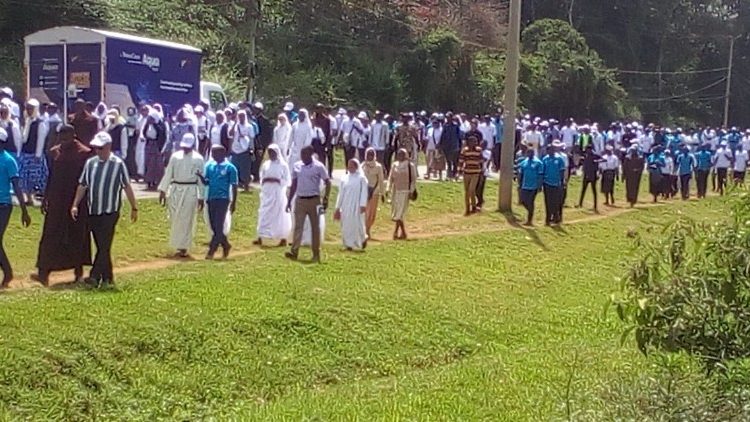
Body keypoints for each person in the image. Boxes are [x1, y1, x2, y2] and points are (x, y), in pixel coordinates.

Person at [71, 132, 138, 287]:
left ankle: (94, 276)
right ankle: (108, 278)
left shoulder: (118, 164)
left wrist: (134, 207)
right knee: (102, 246)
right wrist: (75, 204)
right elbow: (83, 184)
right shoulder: (91, 163)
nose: (98, 151)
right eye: (96, 148)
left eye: (100, 148)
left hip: (110, 211)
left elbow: (127, 186)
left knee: (104, 244)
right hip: (94, 210)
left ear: (108, 147)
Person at [32, 125, 92, 286]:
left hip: (76, 201)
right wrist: (46, 198)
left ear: (73, 135)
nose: (63, 139)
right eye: (61, 136)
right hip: (57, 200)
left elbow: (86, 180)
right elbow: (51, 176)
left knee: (77, 234)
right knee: (50, 234)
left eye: (66, 136)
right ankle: (43, 272)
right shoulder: (55, 152)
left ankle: (78, 272)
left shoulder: (84, 153)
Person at [158, 133, 205, 258]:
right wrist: (163, 190)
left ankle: (183, 246)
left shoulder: (199, 159)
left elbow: (201, 179)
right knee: (175, 217)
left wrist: (201, 197)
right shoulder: (175, 157)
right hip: (176, 189)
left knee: (187, 218)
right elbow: (168, 173)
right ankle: (177, 243)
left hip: (190, 190)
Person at [285, 145, 331, 263]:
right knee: (298, 226)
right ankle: (294, 251)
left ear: (310, 154)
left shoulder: (318, 167)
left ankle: (316, 253)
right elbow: (294, 184)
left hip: (315, 200)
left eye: (305, 154)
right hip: (300, 199)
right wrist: (289, 201)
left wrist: (326, 198)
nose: (303, 157)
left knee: (315, 227)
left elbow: (328, 182)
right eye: (302, 155)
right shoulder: (297, 166)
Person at [0, 128, 31, 288]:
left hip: (3, 205)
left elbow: (17, 187)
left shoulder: (8, 161)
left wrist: (24, 211)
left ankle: (8, 272)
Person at [198, 145, 239, 260]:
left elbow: (234, 186)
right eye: (212, 153)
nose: (213, 155)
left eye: (215, 153)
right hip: (211, 198)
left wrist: (234, 202)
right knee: (213, 225)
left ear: (222, 154)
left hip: (223, 199)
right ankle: (226, 245)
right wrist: (201, 177)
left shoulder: (230, 168)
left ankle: (212, 250)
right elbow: (207, 182)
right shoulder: (210, 166)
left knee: (218, 224)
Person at [254, 144, 292, 247]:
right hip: (267, 192)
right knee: (264, 213)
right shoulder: (266, 164)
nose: (271, 154)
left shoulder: (283, 165)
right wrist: (266, 180)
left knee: (279, 215)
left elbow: (288, 181)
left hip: (278, 193)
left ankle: (282, 238)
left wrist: (277, 180)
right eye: (269, 152)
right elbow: (262, 176)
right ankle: (261, 236)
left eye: (273, 152)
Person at [334, 159, 369, 251]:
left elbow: (364, 192)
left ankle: (362, 239)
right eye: (348, 166)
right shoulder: (344, 178)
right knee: (346, 224)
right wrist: (338, 207)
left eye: (351, 166)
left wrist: (363, 204)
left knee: (357, 223)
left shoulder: (361, 179)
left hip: (356, 205)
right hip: (346, 205)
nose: (350, 168)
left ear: (356, 167)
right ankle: (348, 244)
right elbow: (341, 193)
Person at [19, 99, 49, 204]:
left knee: (39, 177)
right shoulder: (26, 121)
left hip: (35, 155)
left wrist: (38, 155)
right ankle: (29, 198)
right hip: (25, 153)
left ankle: (45, 198)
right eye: (27, 108)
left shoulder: (40, 123)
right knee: (25, 177)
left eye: (31, 108)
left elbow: (41, 139)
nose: (28, 110)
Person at [388, 148, 417, 240]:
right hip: (396, 191)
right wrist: (388, 188)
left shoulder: (410, 166)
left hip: (405, 192)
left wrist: (411, 191)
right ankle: (402, 233)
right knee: (396, 212)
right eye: (399, 154)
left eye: (402, 154)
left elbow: (413, 180)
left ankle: (397, 232)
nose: (400, 156)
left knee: (400, 213)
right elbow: (390, 178)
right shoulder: (394, 165)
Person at [362, 148, 385, 239]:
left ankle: (368, 228)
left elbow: (381, 180)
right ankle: (364, 231)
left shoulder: (378, 167)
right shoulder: (362, 166)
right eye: (368, 154)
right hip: (364, 192)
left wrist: (382, 193)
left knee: (372, 213)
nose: (370, 156)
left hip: (375, 192)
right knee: (365, 212)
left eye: (371, 154)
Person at [229, 110, 255, 191]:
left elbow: (252, 138)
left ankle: (246, 186)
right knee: (234, 168)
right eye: (239, 116)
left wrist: (252, 149)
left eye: (242, 116)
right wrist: (234, 124)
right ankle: (234, 187)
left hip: (245, 150)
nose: (241, 118)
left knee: (245, 169)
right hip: (235, 150)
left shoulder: (249, 126)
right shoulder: (235, 126)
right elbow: (230, 134)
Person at [457, 134, 484, 215]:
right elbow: (461, 161)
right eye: (472, 142)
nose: (474, 143)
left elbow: (481, 161)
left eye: (475, 142)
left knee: (471, 190)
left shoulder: (479, 150)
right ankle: (467, 208)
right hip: (467, 172)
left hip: (475, 173)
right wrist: (459, 172)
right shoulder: (465, 150)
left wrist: (482, 171)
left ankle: (474, 206)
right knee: (467, 191)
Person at [517, 147, 544, 226]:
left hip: (534, 186)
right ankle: (530, 211)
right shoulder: (524, 162)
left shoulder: (538, 163)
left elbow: (540, 175)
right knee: (523, 201)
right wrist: (519, 183)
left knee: (530, 201)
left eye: (531, 153)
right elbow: (521, 173)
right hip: (525, 185)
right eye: (528, 153)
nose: (529, 154)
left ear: (533, 153)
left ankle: (529, 220)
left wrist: (539, 185)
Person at [542, 141, 566, 226]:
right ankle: (548, 218)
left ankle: (556, 216)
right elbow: (542, 171)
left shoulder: (559, 159)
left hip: (556, 183)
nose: (550, 151)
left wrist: (562, 182)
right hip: (547, 183)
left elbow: (562, 170)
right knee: (548, 201)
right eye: (548, 150)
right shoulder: (545, 159)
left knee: (556, 201)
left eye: (551, 150)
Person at [143, 109, 167, 190]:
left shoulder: (161, 125)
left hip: (157, 146)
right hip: (149, 145)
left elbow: (161, 135)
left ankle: (156, 182)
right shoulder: (148, 125)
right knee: (149, 164)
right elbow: (144, 132)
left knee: (156, 166)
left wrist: (154, 125)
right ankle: (149, 181)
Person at [577, 144, 602, 211]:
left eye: (588, 149)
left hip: (593, 174)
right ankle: (580, 203)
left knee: (594, 190)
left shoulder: (595, 156)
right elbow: (580, 163)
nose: (587, 151)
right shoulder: (585, 156)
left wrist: (596, 161)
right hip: (586, 174)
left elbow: (603, 159)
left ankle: (595, 205)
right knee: (583, 189)